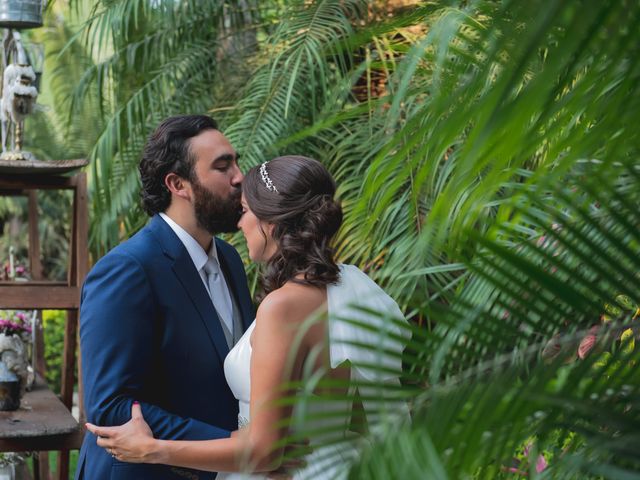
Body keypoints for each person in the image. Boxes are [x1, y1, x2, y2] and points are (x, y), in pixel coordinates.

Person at [86, 156, 410, 479]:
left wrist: (154, 450)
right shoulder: (354, 288)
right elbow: (362, 413)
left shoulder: (281, 307)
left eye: (244, 211)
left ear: (270, 223)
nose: (239, 224)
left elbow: (262, 453)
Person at [76, 115, 255, 480]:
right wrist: (231, 445)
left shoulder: (232, 260)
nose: (240, 177)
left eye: (236, 162)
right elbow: (110, 405)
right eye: (223, 167)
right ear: (178, 184)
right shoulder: (129, 269)